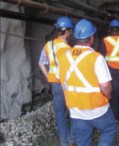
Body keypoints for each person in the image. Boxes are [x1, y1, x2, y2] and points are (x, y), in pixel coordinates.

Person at [56, 19, 116, 146]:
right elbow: (105, 85)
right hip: (97, 108)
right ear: (92, 38)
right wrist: (109, 96)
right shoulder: (96, 58)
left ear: (75, 38)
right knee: (108, 130)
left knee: (83, 140)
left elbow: (60, 79)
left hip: (76, 109)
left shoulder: (62, 57)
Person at [38, 16, 75, 146]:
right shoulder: (70, 50)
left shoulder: (49, 45)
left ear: (58, 30)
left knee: (60, 114)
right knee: (73, 111)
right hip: (68, 85)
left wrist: (49, 76)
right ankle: (72, 139)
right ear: (68, 31)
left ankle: (64, 141)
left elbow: (41, 63)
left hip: (55, 84)